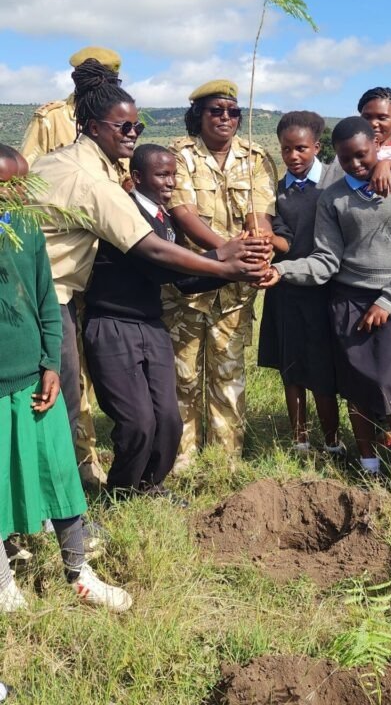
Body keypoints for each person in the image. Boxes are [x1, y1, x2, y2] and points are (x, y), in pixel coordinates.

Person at [32, 62, 266, 465]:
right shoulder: (90, 180)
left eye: (136, 128)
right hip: (48, 298)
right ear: (91, 127)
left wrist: (221, 256)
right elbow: (152, 249)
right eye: (123, 127)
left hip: (57, 296)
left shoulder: (75, 163)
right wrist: (225, 265)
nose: (132, 134)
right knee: (60, 401)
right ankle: (63, 509)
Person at [262, 116, 391, 488]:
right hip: (349, 299)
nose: (357, 165)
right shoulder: (334, 197)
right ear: (336, 156)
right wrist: (282, 272)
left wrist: (388, 300)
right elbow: (327, 260)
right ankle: (368, 466)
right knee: (355, 381)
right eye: (347, 159)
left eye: (363, 155)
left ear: (376, 145)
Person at [0, 144, 132, 612]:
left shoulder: (28, 229)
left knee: (59, 473)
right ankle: (3, 583)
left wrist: (52, 364)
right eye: (5, 188)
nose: (15, 198)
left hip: (34, 379)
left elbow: (46, 301)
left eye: (21, 186)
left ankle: (78, 571)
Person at [83, 144, 229, 496]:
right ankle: (120, 491)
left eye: (173, 175)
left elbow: (182, 279)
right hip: (112, 325)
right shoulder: (126, 214)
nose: (170, 182)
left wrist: (234, 272)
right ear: (136, 177)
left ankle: (150, 487)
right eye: (162, 175)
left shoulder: (163, 221)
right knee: (137, 422)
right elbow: (155, 265)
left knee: (168, 420)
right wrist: (223, 257)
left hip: (151, 325)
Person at [21, 45, 122, 492]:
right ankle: (75, 466)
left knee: (94, 363)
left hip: (97, 260)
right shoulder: (51, 120)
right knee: (62, 369)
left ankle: (84, 459)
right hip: (59, 263)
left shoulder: (120, 118)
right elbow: (23, 179)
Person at [164, 79, 276, 472]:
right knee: (183, 378)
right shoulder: (179, 156)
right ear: (199, 115)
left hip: (234, 292)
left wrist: (257, 246)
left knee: (229, 378)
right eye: (216, 111)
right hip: (187, 288)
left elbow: (260, 215)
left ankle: (226, 462)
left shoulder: (255, 157)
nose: (225, 118)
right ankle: (181, 460)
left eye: (232, 111)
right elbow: (183, 215)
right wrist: (226, 252)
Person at [257, 111, 344, 456]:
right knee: (290, 366)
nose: (293, 156)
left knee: (322, 369)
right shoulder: (277, 193)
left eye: (301, 149)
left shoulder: (335, 184)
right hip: (285, 288)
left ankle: (333, 442)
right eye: (286, 149)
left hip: (325, 289)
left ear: (317, 147)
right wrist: (265, 239)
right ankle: (299, 440)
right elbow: (284, 241)